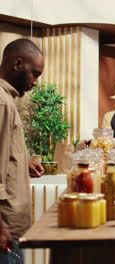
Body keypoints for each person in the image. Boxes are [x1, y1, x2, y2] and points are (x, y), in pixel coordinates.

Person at [0, 38, 45, 263]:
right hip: (4, 231)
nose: (36, 82)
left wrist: (22, 162)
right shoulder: (2, 103)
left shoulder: (7, 99)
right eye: (35, 73)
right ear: (17, 64)